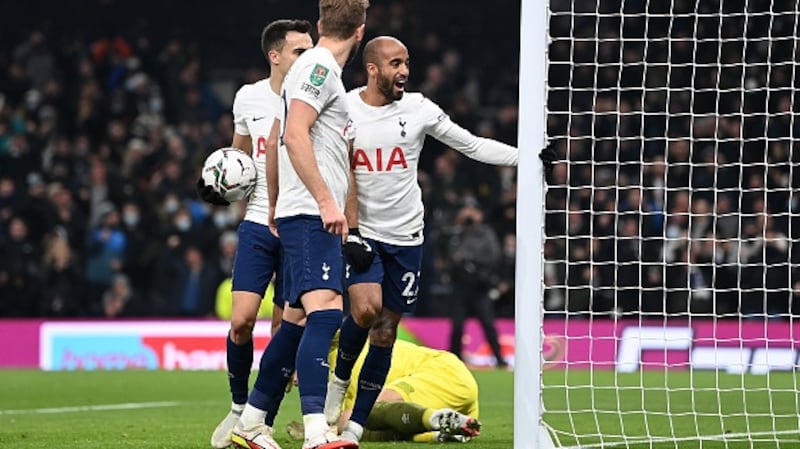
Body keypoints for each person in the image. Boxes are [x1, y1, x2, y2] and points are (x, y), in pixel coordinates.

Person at [324, 36, 519, 445]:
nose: (405, 71)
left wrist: (525, 155)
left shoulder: (419, 108)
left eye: (407, 63)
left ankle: (356, 426)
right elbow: (338, 172)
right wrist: (351, 229)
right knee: (364, 312)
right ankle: (338, 385)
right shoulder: (344, 108)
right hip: (365, 234)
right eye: (396, 63)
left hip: (408, 237)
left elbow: (472, 144)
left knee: (385, 331)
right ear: (372, 68)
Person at [232, 1, 369, 449]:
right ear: (360, 32)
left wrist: (273, 202)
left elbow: (274, 140)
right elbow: (292, 136)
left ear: (324, 24)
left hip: (299, 210)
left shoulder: (309, 69)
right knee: (327, 312)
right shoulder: (319, 68)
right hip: (311, 213)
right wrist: (326, 202)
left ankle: (250, 421)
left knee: (293, 320)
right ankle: (316, 431)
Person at [196, 19, 314, 449]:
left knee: (284, 330)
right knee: (243, 320)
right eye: (301, 50)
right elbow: (238, 157)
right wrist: (221, 181)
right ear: (276, 55)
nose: (309, 57)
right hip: (258, 224)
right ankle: (238, 406)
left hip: (299, 223)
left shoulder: (316, 98)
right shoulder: (248, 97)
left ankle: (258, 421)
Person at [288, 337, 481, 443]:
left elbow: (346, 418)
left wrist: (318, 428)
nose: (296, 383)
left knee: (359, 417)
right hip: (453, 399)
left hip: (441, 372)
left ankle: (433, 419)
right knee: (374, 424)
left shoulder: (346, 358)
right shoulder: (335, 383)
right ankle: (439, 430)